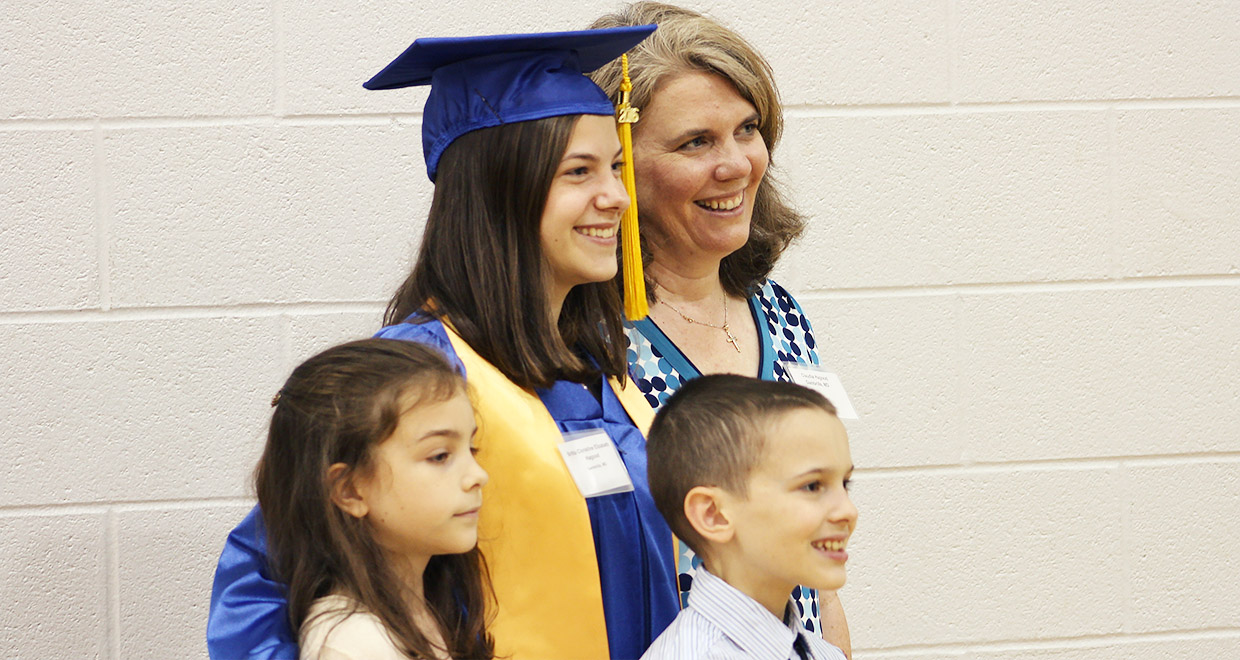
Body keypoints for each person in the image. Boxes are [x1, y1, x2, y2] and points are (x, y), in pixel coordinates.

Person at [207, 25, 679, 660]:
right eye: (579, 171)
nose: (615, 197)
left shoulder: (599, 367)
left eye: (616, 167)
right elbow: (265, 579)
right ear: (497, 191)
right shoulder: (421, 369)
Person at [588, 3, 850, 651]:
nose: (736, 164)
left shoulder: (782, 316)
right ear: (617, 162)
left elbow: (813, 580)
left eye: (747, 129)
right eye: (695, 142)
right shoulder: (582, 339)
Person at [257, 339, 491, 659]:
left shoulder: (431, 612)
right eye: (439, 456)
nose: (478, 475)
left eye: (471, 449)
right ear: (350, 490)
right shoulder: (354, 645)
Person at [641, 375, 855, 660]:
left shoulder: (825, 654)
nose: (848, 512)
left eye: (845, 484)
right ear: (714, 514)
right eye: (812, 486)